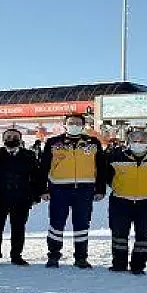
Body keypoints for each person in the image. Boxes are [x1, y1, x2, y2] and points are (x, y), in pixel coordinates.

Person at [40, 114, 106, 269]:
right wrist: (43, 189)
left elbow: (101, 167)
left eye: (78, 123)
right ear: (65, 125)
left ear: (83, 126)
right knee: (56, 224)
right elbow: (43, 167)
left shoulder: (93, 142)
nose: (74, 125)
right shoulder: (53, 142)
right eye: (71, 123)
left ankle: (81, 258)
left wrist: (100, 188)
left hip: (85, 190)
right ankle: (53, 256)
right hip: (59, 190)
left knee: (82, 224)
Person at [106, 130, 147, 275]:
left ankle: (138, 265)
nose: (138, 143)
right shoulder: (115, 157)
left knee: (145, 236)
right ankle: (119, 264)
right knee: (119, 234)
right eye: (135, 140)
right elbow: (107, 175)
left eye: (142, 141)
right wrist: (117, 187)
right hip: (120, 202)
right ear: (129, 142)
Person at [0, 129, 42, 266]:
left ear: (20, 139)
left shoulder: (28, 155)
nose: (12, 138)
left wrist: (36, 195)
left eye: (15, 136)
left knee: (18, 228)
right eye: (8, 136)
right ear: (3, 139)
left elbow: (36, 177)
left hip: (21, 198)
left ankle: (16, 255)